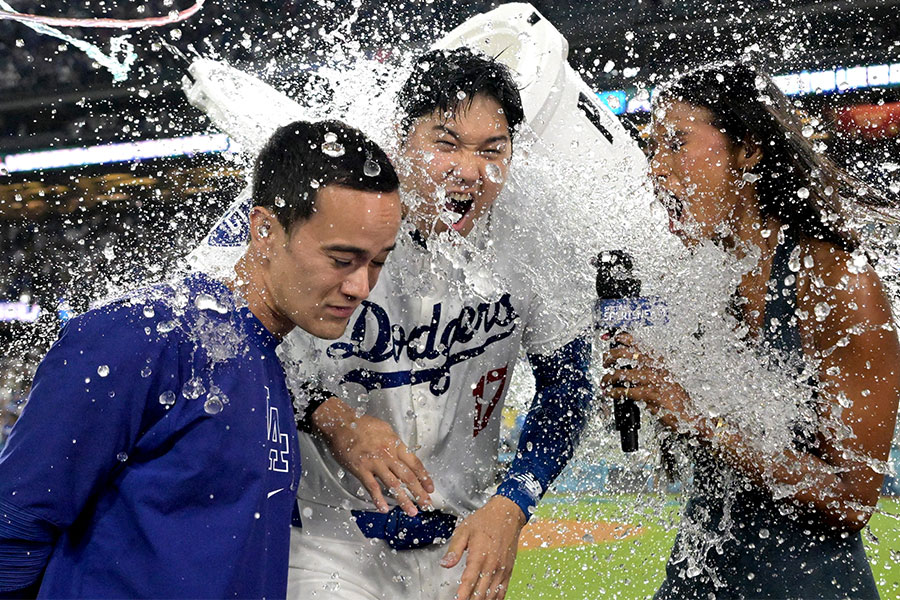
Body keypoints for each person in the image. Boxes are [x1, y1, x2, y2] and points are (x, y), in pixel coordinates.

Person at [0, 119, 402, 598]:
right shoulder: (145, 333)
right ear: (265, 231)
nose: (360, 287)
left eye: (377, 262)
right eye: (342, 259)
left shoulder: (270, 363)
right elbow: (15, 523)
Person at [284, 48, 594, 600]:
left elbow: (567, 389)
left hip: (461, 541)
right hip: (327, 538)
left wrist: (514, 503)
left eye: (492, 149)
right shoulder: (344, 220)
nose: (471, 171)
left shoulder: (537, 239)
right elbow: (247, 339)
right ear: (402, 143)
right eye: (445, 144)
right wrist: (332, 416)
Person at [602, 61, 900, 599]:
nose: (657, 169)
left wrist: (694, 416)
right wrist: (636, 378)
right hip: (700, 576)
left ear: (749, 150)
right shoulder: (698, 279)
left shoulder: (837, 284)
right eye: (653, 148)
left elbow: (854, 499)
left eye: (676, 144)